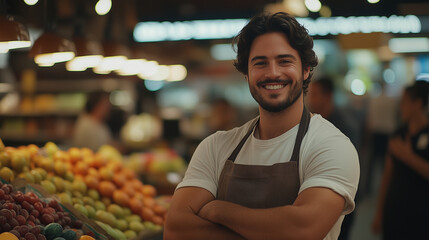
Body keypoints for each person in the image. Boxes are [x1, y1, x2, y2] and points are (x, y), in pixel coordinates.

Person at [164, 12, 359, 240]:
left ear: (306, 69)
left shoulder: (331, 146)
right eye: (260, 63)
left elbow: (302, 230)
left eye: (284, 61)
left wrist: (220, 210)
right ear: (247, 73)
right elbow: (177, 229)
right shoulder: (215, 146)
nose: (273, 73)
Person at [372, 80, 429, 240]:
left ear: (417, 104)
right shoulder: (399, 134)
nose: (400, 106)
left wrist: (407, 156)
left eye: (404, 102)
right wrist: (379, 213)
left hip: (421, 216)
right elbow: (387, 176)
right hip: (395, 211)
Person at [306, 76, 361, 240]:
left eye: (314, 94)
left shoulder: (344, 126)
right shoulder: (312, 122)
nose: (310, 99)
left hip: (341, 197)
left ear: (327, 96)